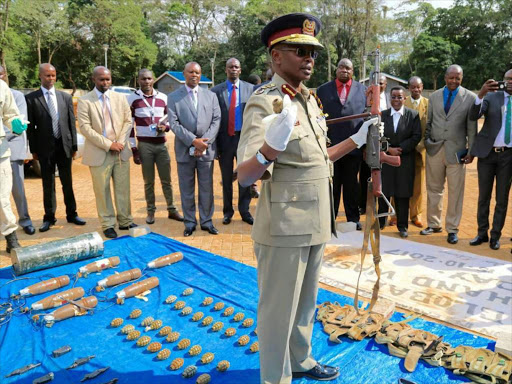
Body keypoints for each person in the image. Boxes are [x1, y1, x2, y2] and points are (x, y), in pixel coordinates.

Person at [236, 13, 375, 384]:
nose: (309, 58)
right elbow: (245, 174)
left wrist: (355, 140)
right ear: (276, 56)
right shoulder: (266, 103)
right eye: (300, 51)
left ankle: (300, 360)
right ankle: (275, 378)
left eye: (312, 51)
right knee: (278, 310)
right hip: (284, 226)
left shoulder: (309, 100)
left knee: (304, 306)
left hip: (315, 220)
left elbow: (318, 158)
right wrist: (268, 149)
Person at [77, 66, 136, 239]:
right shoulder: (85, 101)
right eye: (101, 79)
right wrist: (109, 144)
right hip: (99, 152)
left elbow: (127, 121)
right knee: (102, 191)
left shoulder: (120, 98)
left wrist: (120, 143)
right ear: (94, 79)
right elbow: (85, 128)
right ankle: (108, 224)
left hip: (121, 151)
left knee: (123, 188)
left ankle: (125, 221)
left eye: (108, 79)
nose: (105, 82)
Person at [25, 63, 85, 233]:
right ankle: (49, 217)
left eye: (53, 75)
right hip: (45, 149)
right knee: (48, 184)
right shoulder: (31, 99)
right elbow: (31, 128)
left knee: (67, 182)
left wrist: (73, 146)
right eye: (47, 75)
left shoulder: (64, 97)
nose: (51, 78)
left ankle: (72, 214)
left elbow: (71, 124)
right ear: (40, 76)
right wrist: (34, 150)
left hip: (64, 146)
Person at [421, 65, 477, 244]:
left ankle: (452, 228)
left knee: (455, 192)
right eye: (451, 77)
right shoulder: (434, 96)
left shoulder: (470, 98)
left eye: (458, 78)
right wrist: (428, 142)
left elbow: (472, 128)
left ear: (462, 78)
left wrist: (471, 150)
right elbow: (429, 122)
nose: (454, 81)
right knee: (434, 188)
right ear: (445, 77)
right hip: (435, 150)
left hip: (457, 152)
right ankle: (433, 223)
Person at [168, 62, 221, 237]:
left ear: (201, 74)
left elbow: (216, 119)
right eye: (190, 72)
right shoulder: (174, 97)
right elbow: (173, 123)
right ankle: (190, 222)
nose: (194, 75)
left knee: (206, 188)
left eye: (197, 72)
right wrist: (193, 141)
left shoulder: (210, 95)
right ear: (184, 74)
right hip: (185, 150)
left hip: (206, 149)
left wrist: (203, 143)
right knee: (187, 189)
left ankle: (207, 221)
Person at [127, 69, 183, 225]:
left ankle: (172, 210)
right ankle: (150, 212)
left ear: (154, 80)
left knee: (167, 180)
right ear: (138, 80)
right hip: (144, 145)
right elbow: (129, 126)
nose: (146, 81)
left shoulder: (163, 98)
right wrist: (134, 149)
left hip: (161, 144)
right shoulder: (132, 99)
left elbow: (171, 120)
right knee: (148, 181)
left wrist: (165, 128)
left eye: (149, 78)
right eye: (143, 79)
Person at [317, 58, 367, 229]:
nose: (344, 70)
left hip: (354, 147)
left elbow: (366, 115)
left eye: (348, 68)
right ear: (336, 70)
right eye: (341, 67)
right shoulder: (323, 90)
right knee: (332, 186)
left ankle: (353, 218)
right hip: (330, 147)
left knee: (352, 185)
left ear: (353, 71)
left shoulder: (363, 90)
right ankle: (329, 219)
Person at [468, 69, 512, 250]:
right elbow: (473, 115)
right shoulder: (492, 97)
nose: (510, 82)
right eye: (507, 79)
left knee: (502, 198)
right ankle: (481, 233)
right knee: (483, 196)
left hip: (508, 156)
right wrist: (481, 94)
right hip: (487, 154)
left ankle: (495, 236)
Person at [211, 58, 254, 226]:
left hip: (244, 139)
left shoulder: (251, 89)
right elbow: (213, 119)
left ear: (240, 70)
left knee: (245, 177)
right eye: (230, 67)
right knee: (227, 178)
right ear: (226, 69)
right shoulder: (216, 91)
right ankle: (227, 212)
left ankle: (245, 211)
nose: (233, 69)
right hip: (225, 140)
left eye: (236, 67)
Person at [378, 86, 421, 237]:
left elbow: (416, 136)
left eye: (399, 97)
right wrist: (389, 149)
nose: (396, 100)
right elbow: (377, 136)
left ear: (405, 98)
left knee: (403, 193)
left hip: (405, 160)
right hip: (386, 159)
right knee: (385, 191)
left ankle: (402, 226)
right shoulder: (382, 115)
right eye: (394, 97)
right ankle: (381, 223)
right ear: (390, 99)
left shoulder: (413, 115)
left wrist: (400, 149)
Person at [0, 66, 35, 235]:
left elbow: (16, 122)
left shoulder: (14, 95)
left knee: (17, 189)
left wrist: (9, 131)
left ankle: (25, 220)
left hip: (10, 150)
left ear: (5, 75)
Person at [0, 78, 26, 253]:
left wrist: (16, 124)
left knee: (2, 198)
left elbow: (10, 114)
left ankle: (11, 237)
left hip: (0, 152)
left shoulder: (1, 86)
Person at [404, 76, 428, 228]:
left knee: (418, 186)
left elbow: (430, 127)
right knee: (400, 182)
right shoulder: (402, 102)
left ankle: (415, 214)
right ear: (409, 88)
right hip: (404, 150)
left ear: (422, 87)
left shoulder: (429, 104)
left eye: (418, 87)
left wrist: (420, 145)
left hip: (421, 151)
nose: (416, 89)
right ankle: (396, 214)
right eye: (413, 87)